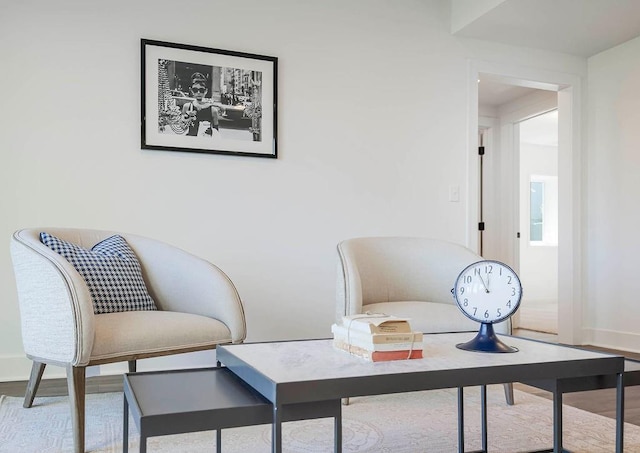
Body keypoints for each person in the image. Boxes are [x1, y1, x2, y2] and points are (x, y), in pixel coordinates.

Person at [182, 73, 220, 137]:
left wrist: (210, 132)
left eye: (201, 90)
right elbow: (182, 127)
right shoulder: (187, 107)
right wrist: (187, 119)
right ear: (191, 91)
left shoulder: (213, 110)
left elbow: (216, 132)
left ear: (206, 91)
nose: (198, 93)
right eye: (195, 90)